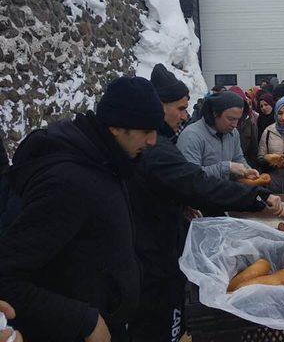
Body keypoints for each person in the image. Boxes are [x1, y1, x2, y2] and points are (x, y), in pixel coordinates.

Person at [0, 76, 164, 341]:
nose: (153, 141)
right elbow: (7, 275)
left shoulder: (108, 160)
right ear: (115, 127)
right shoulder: (69, 181)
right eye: (147, 131)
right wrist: (83, 320)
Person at [128, 64, 283, 342]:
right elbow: (194, 180)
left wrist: (247, 176)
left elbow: (178, 183)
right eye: (180, 108)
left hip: (180, 231)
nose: (185, 116)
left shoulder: (165, 141)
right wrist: (255, 197)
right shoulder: (167, 144)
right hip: (157, 253)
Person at [177, 91, 259, 189]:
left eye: (238, 119)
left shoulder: (233, 133)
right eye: (231, 119)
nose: (235, 125)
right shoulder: (191, 136)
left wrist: (247, 171)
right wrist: (226, 167)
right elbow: (190, 177)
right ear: (215, 114)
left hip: (225, 195)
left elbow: (238, 158)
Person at [258, 96, 284, 193]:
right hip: (271, 186)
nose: (283, 118)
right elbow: (260, 157)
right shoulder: (268, 131)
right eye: (280, 113)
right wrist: (268, 160)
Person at [229, 86, 259, 168]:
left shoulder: (249, 123)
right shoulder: (221, 126)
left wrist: (250, 170)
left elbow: (254, 150)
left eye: (240, 105)